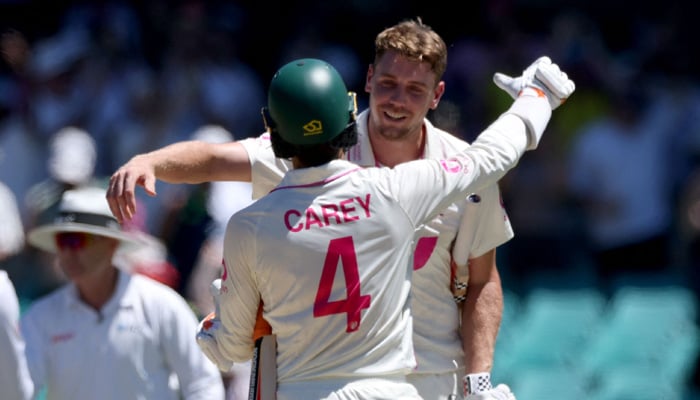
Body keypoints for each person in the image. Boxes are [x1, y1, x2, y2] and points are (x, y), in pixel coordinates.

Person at [106, 19, 572, 399]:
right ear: (367, 80)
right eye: (388, 83)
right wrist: (536, 100)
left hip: (423, 379)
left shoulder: (270, 199)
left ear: (437, 95)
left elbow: (482, 281)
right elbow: (217, 158)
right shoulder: (400, 183)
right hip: (373, 386)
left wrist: (478, 383)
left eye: (415, 89)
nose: (397, 100)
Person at [20, 186, 226, 400]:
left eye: (77, 240)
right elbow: (20, 390)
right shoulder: (40, 317)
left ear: (111, 244)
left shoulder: (161, 305)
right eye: (62, 241)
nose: (68, 252)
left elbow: (202, 383)